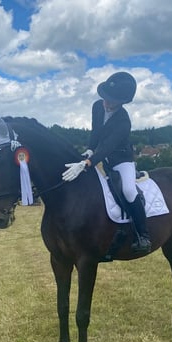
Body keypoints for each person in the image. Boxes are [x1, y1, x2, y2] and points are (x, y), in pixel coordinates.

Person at [61, 71, 150, 253]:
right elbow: (96, 133)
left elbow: (108, 146)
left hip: (120, 160)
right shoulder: (98, 107)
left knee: (128, 190)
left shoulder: (124, 122)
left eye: (112, 100)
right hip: (97, 156)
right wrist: (88, 150)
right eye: (105, 97)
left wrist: (87, 163)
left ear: (122, 102)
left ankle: (143, 235)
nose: (106, 102)